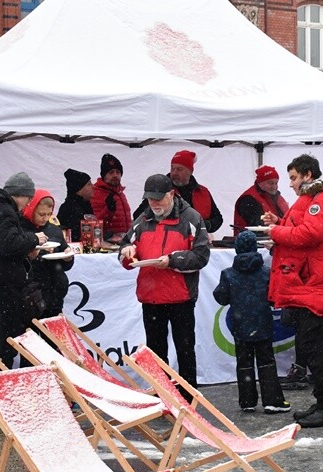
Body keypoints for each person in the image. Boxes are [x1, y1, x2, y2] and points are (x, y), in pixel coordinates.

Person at [266, 153, 323, 428]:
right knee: (314, 346)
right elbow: (300, 230)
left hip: (316, 284)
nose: (289, 184)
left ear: (308, 175)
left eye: (293, 177)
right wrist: (277, 224)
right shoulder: (314, 198)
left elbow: (309, 235)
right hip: (311, 283)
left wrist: (275, 233)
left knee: (317, 348)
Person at [120, 174, 210, 392]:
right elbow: (125, 247)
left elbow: (201, 256)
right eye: (150, 199)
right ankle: (162, 395)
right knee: (155, 352)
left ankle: (188, 398)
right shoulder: (142, 221)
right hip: (151, 297)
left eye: (158, 199)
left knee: (185, 349)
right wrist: (127, 253)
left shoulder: (192, 218)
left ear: (171, 194)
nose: (154, 204)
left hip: (180, 297)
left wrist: (172, 261)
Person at [0, 171, 47, 368]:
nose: (28, 204)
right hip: (7, 279)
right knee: (9, 335)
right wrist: (34, 239)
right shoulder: (4, 210)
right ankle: (3, 378)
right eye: (28, 199)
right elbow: (8, 244)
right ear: (19, 194)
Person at [213, 230, 290, 414]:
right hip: (263, 323)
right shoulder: (265, 273)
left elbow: (221, 297)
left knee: (244, 363)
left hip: (240, 326)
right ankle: (273, 401)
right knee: (267, 362)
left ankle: (247, 401)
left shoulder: (228, 274)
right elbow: (274, 298)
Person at [21, 189, 74, 318]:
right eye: (41, 214)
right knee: (31, 334)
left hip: (55, 293)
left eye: (48, 214)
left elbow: (65, 263)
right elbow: (16, 260)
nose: (45, 218)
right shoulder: (20, 229)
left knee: (53, 334)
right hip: (31, 293)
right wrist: (34, 254)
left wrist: (67, 258)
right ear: (31, 209)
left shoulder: (55, 230)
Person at [169, 149, 223, 234]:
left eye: (179, 169)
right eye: (172, 168)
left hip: (198, 241)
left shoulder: (202, 192)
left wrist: (207, 225)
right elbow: (142, 216)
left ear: (190, 171)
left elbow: (217, 218)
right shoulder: (161, 190)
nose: (174, 173)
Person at [233, 165, 289, 232]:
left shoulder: (277, 197)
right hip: (251, 240)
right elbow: (258, 224)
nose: (274, 187)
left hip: (276, 237)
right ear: (260, 183)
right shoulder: (248, 199)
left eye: (276, 183)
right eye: (270, 183)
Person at [91, 153, 132, 239]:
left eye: (118, 172)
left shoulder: (121, 194)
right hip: (107, 244)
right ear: (104, 175)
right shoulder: (96, 193)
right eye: (111, 172)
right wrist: (109, 210)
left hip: (123, 242)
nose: (115, 175)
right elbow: (95, 224)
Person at [56, 168, 93, 243]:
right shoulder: (69, 209)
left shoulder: (86, 205)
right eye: (89, 184)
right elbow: (74, 237)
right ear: (79, 189)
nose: (93, 186)